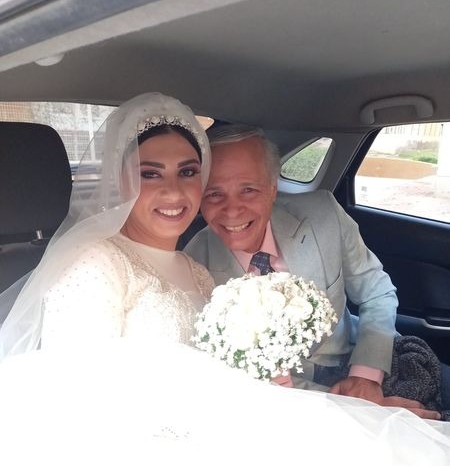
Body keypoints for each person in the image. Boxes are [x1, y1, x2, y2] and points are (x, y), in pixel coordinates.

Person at [185, 124, 442, 420]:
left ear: (272, 189)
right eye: (214, 194)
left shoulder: (324, 215)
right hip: (289, 402)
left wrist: (366, 376)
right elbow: (232, 375)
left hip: (365, 356)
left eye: (248, 190)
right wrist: (360, 410)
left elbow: (377, 292)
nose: (232, 210)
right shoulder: (194, 265)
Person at [0, 92, 214, 357]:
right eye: (150, 174)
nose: (174, 192)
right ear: (119, 182)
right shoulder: (94, 263)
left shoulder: (198, 272)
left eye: (187, 172)